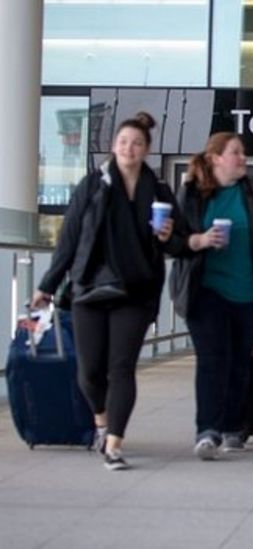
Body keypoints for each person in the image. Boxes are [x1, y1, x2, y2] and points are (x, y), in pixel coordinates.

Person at [32, 112, 180, 471]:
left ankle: (114, 443)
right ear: (114, 146)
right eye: (123, 142)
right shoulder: (93, 185)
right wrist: (47, 286)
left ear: (146, 150)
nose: (129, 148)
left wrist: (168, 236)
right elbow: (69, 239)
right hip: (89, 288)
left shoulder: (158, 191)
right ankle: (101, 421)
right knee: (89, 372)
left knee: (121, 367)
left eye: (137, 143)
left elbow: (179, 242)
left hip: (136, 292)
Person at [171, 132, 253, 460]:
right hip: (205, 290)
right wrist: (200, 240)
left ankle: (233, 425)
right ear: (215, 158)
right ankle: (207, 431)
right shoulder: (192, 193)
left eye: (243, 152)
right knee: (212, 359)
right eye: (235, 152)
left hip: (250, 293)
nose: (243, 158)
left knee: (240, 360)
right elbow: (175, 241)